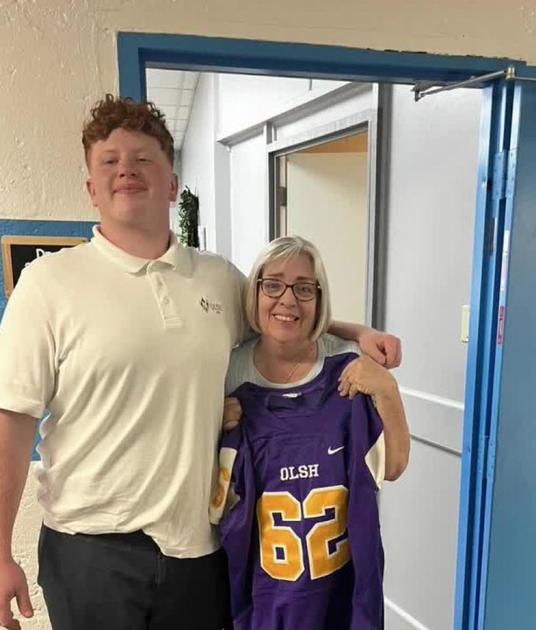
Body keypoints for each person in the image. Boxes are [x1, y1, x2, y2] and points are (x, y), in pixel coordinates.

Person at [0, 95, 400, 630]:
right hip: (91, 551)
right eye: (110, 161)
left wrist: (356, 331)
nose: (126, 171)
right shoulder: (48, 284)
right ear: (92, 188)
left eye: (144, 160)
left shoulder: (217, 279)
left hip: (198, 552)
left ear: (171, 184)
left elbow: (280, 313)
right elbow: (13, 421)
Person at [213, 235, 409, 627]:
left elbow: (393, 466)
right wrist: (212, 426)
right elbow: (213, 503)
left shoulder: (348, 371)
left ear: (319, 298)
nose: (288, 300)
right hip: (266, 590)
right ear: (256, 292)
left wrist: (386, 388)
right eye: (273, 284)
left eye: (304, 288)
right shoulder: (228, 369)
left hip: (339, 589)